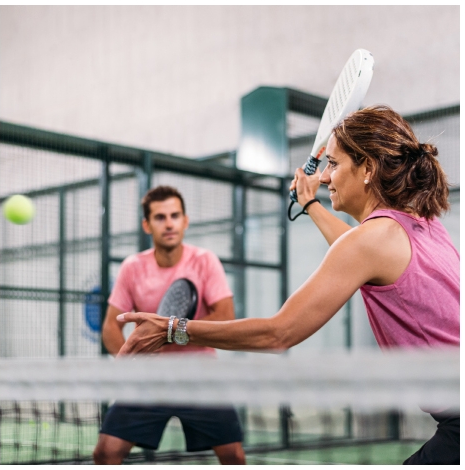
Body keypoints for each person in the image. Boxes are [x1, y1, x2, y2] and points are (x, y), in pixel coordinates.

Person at [116, 106, 460, 465]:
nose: (326, 177)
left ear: (368, 170)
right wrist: (310, 203)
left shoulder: (371, 241)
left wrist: (172, 329)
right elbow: (357, 250)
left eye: (334, 164)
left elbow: (278, 333)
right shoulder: (421, 223)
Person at [93, 185, 246, 465]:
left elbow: (225, 317)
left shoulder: (204, 261)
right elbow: (110, 328)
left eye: (175, 215)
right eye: (160, 217)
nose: (169, 223)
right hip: (150, 381)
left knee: (233, 456)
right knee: (105, 453)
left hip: (201, 377)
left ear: (185, 221)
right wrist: (130, 364)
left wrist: (166, 333)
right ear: (147, 224)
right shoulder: (132, 267)